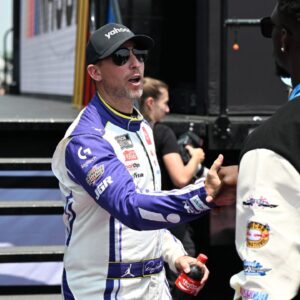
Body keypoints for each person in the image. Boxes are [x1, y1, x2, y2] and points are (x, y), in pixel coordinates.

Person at [51, 23, 234, 300]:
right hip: (102, 289)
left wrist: (176, 256)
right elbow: (130, 207)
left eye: (139, 55)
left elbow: (150, 205)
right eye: (121, 58)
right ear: (95, 72)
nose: (135, 63)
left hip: (153, 286)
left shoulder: (143, 127)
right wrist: (202, 194)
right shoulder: (85, 139)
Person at [230, 1, 300, 299]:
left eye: (270, 29)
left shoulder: (275, 142)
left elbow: (265, 288)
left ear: (284, 39)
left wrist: (267, 165)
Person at [139, 77, 206, 296]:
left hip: (140, 217)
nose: (168, 109)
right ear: (150, 103)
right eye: (164, 103)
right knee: (183, 271)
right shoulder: (162, 133)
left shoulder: (130, 136)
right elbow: (181, 178)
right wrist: (195, 157)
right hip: (168, 217)